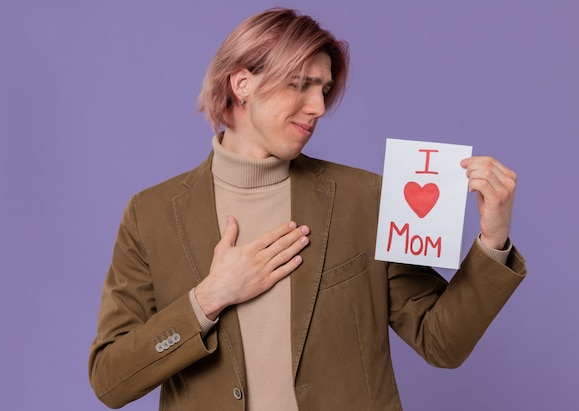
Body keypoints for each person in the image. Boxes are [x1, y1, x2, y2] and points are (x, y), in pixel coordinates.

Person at [89, 7, 526, 410]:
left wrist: (493, 240)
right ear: (242, 84)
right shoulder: (151, 214)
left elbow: (441, 342)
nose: (318, 107)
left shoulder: (366, 199)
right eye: (299, 84)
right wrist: (209, 298)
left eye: (324, 89)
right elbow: (110, 379)